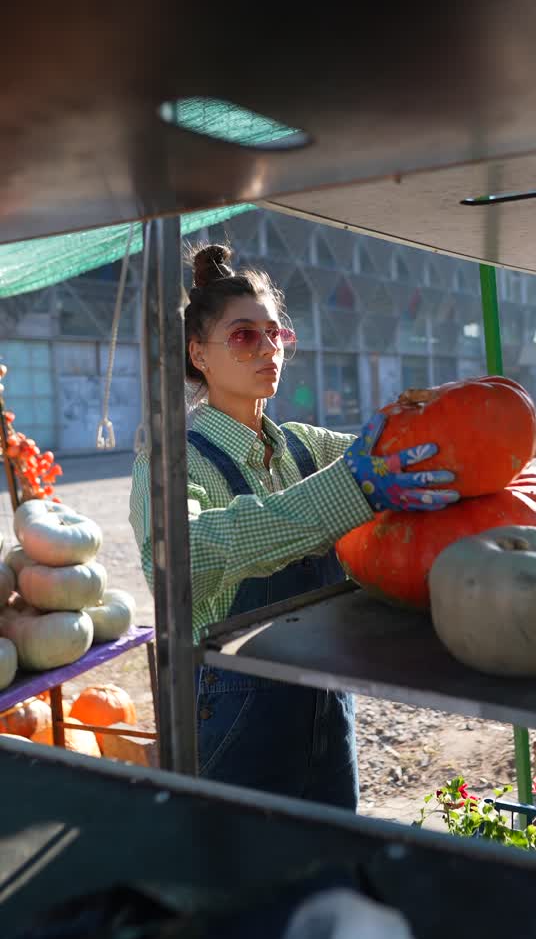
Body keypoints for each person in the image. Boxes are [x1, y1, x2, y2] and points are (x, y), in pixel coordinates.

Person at [129, 243, 459, 811]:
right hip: (237, 717)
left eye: (275, 333)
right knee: (245, 877)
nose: (268, 349)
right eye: (243, 336)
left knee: (331, 855)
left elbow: (404, 457)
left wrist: (434, 418)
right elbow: (190, 556)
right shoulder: (170, 464)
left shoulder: (306, 446)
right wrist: (350, 490)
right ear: (198, 355)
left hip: (327, 702)